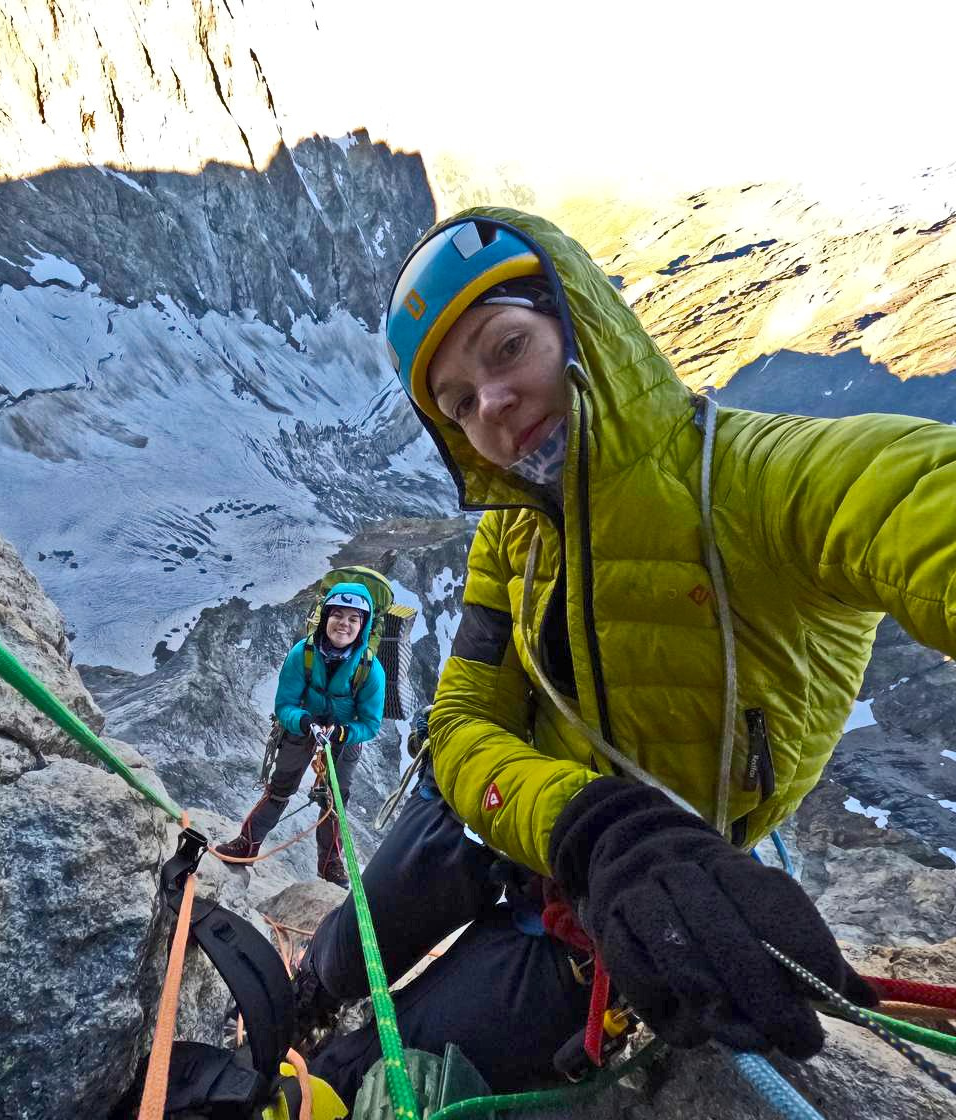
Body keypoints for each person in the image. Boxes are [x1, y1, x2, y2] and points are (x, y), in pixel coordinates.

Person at [296, 206, 956, 1105]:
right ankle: (309, 993)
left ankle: (326, 1055)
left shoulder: (756, 486)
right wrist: (588, 821)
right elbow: (460, 722)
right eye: (456, 403)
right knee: (347, 946)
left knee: (385, 1056)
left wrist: (618, 844)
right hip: (540, 820)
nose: (488, 405)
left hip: (621, 889)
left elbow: (914, 493)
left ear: (581, 325)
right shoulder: (513, 537)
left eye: (505, 349)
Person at [215, 583, 385, 887]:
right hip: (304, 726)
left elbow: (371, 723)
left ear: (363, 626)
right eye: (338, 615)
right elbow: (285, 705)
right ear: (325, 617)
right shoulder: (302, 654)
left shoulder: (371, 671)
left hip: (342, 738)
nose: (344, 624)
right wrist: (305, 722)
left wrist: (343, 732)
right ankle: (247, 844)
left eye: (353, 619)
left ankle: (330, 863)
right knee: (280, 787)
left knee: (334, 799)